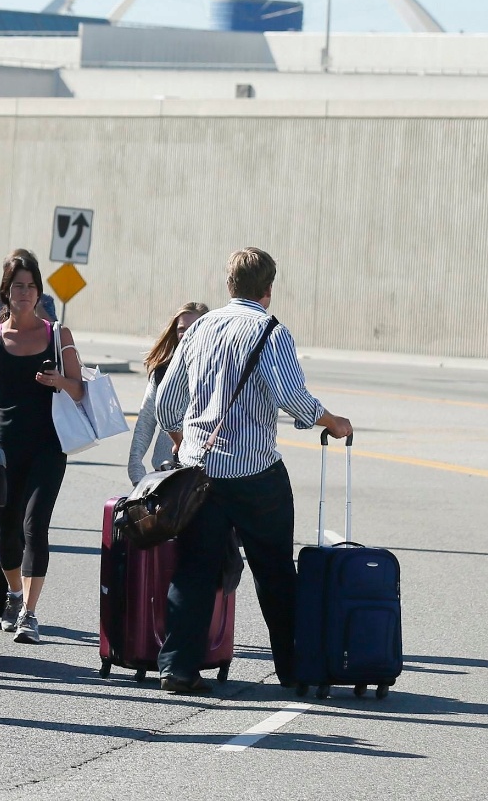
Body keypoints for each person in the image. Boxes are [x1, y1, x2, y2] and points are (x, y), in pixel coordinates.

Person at [151, 247, 353, 695]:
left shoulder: (201, 327)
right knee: (275, 571)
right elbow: (293, 397)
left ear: (229, 285)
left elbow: (166, 402)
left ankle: (177, 668)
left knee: (195, 569)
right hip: (254, 473)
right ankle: (294, 667)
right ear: (268, 288)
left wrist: (183, 439)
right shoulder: (271, 331)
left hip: (200, 472)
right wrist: (331, 422)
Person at [0, 248, 82, 645]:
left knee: (35, 526)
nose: (24, 293)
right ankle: (13, 592)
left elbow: (79, 391)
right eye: (17, 286)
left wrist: (61, 381)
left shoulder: (58, 336)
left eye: (31, 287)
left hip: (48, 445)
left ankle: (29, 613)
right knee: (5, 534)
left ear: (39, 293)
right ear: (5, 292)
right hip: (4, 447)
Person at [129, 303, 209, 485]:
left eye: (194, 328)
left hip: (203, 474)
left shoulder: (218, 373)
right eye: (182, 329)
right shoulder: (162, 372)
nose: (187, 334)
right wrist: (135, 465)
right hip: (165, 473)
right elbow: (146, 421)